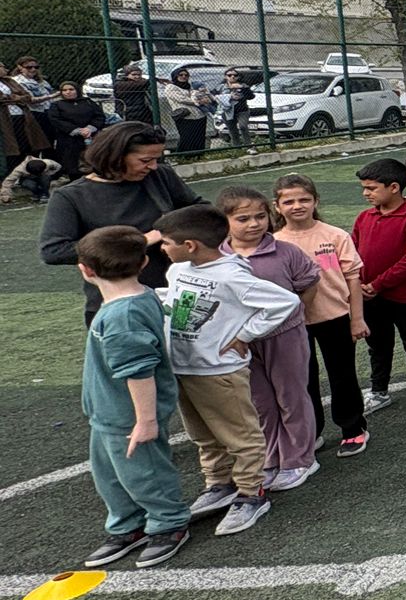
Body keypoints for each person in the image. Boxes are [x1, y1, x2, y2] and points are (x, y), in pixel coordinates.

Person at [155, 203, 303, 537]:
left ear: (190, 245)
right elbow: (175, 300)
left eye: (166, 242)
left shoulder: (232, 275)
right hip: (183, 367)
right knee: (202, 434)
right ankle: (219, 483)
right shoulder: (178, 270)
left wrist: (245, 335)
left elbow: (286, 302)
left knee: (241, 435)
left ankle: (252, 493)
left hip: (219, 370)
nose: (162, 248)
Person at [74, 225, 192, 570]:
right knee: (110, 474)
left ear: (85, 270)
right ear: (143, 263)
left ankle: (169, 522)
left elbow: (138, 370)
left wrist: (146, 421)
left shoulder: (122, 316)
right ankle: (128, 524)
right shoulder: (135, 299)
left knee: (146, 472)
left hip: (128, 415)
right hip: (108, 413)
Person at [39, 121, 201, 322]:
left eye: (156, 159)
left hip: (175, 294)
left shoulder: (160, 176)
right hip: (116, 305)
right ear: (116, 156)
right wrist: (141, 240)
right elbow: (54, 251)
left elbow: (201, 210)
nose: (152, 166)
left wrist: (175, 226)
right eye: (145, 160)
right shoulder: (70, 196)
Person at [217, 186, 323, 491]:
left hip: (284, 336)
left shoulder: (285, 251)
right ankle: (272, 457)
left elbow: (309, 283)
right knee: (260, 401)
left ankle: (300, 459)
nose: (254, 224)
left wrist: (296, 314)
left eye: (260, 217)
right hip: (240, 341)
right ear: (225, 222)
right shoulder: (218, 257)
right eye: (243, 219)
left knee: (291, 397)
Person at [273, 173, 371, 458]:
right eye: (288, 201)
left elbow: (352, 278)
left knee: (343, 375)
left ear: (316, 201)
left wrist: (357, 318)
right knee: (303, 379)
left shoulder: (335, 235)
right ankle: (311, 432)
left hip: (335, 317)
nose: (297, 206)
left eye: (304, 199)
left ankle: (353, 428)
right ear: (277, 206)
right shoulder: (274, 242)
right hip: (293, 324)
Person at [353, 157, 406, 415]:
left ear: (393, 187)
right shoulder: (364, 217)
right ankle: (379, 390)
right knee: (377, 345)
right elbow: (352, 253)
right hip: (369, 296)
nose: (366, 193)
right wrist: (360, 284)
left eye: (371, 188)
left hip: (403, 295)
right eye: (364, 188)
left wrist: (377, 284)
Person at [46, 79, 110, 179]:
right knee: (72, 162)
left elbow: (99, 116)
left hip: (90, 136)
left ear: (77, 90)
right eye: (64, 90)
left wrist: (90, 128)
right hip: (69, 138)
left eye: (71, 89)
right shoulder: (57, 105)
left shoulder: (88, 102)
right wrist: (76, 130)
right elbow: (56, 120)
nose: (68, 92)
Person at [0, 55, 53, 169]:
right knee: (11, 146)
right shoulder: (16, 79)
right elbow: (2, 97)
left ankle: (28, 170)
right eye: (2, 67)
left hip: (21, 115)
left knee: (26, 143)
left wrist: (12, 98)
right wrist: (15, 97)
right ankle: (11, 171)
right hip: (5, 118)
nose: (6, 70)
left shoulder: (9, 81)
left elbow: (27, 96)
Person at [159, 67, 212, 156]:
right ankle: (183, 156)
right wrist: (199, 101)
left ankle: (198, 155)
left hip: (199, 115)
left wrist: (202, 99)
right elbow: (181, 99)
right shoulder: (171, 87)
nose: (184, 77)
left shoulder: (191, 86)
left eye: (186, 75)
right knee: (187, 137)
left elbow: (204, 95)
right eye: (181, 75)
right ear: (175, 76)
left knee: (199, 137)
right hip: (185, 116)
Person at [218, 68, 252, 147]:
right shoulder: (221, 87)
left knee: (243, 127)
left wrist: (242, 88)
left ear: (238, 77)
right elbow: (214, 96)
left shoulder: (243, 85)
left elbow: (251, 96)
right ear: (225, 77)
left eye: (235, 75)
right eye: (229, 75)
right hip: (228, 111)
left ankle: (248, 145)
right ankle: (237, 147)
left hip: (242, 111)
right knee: (233, 131)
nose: (232, 77)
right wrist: (229, 97)